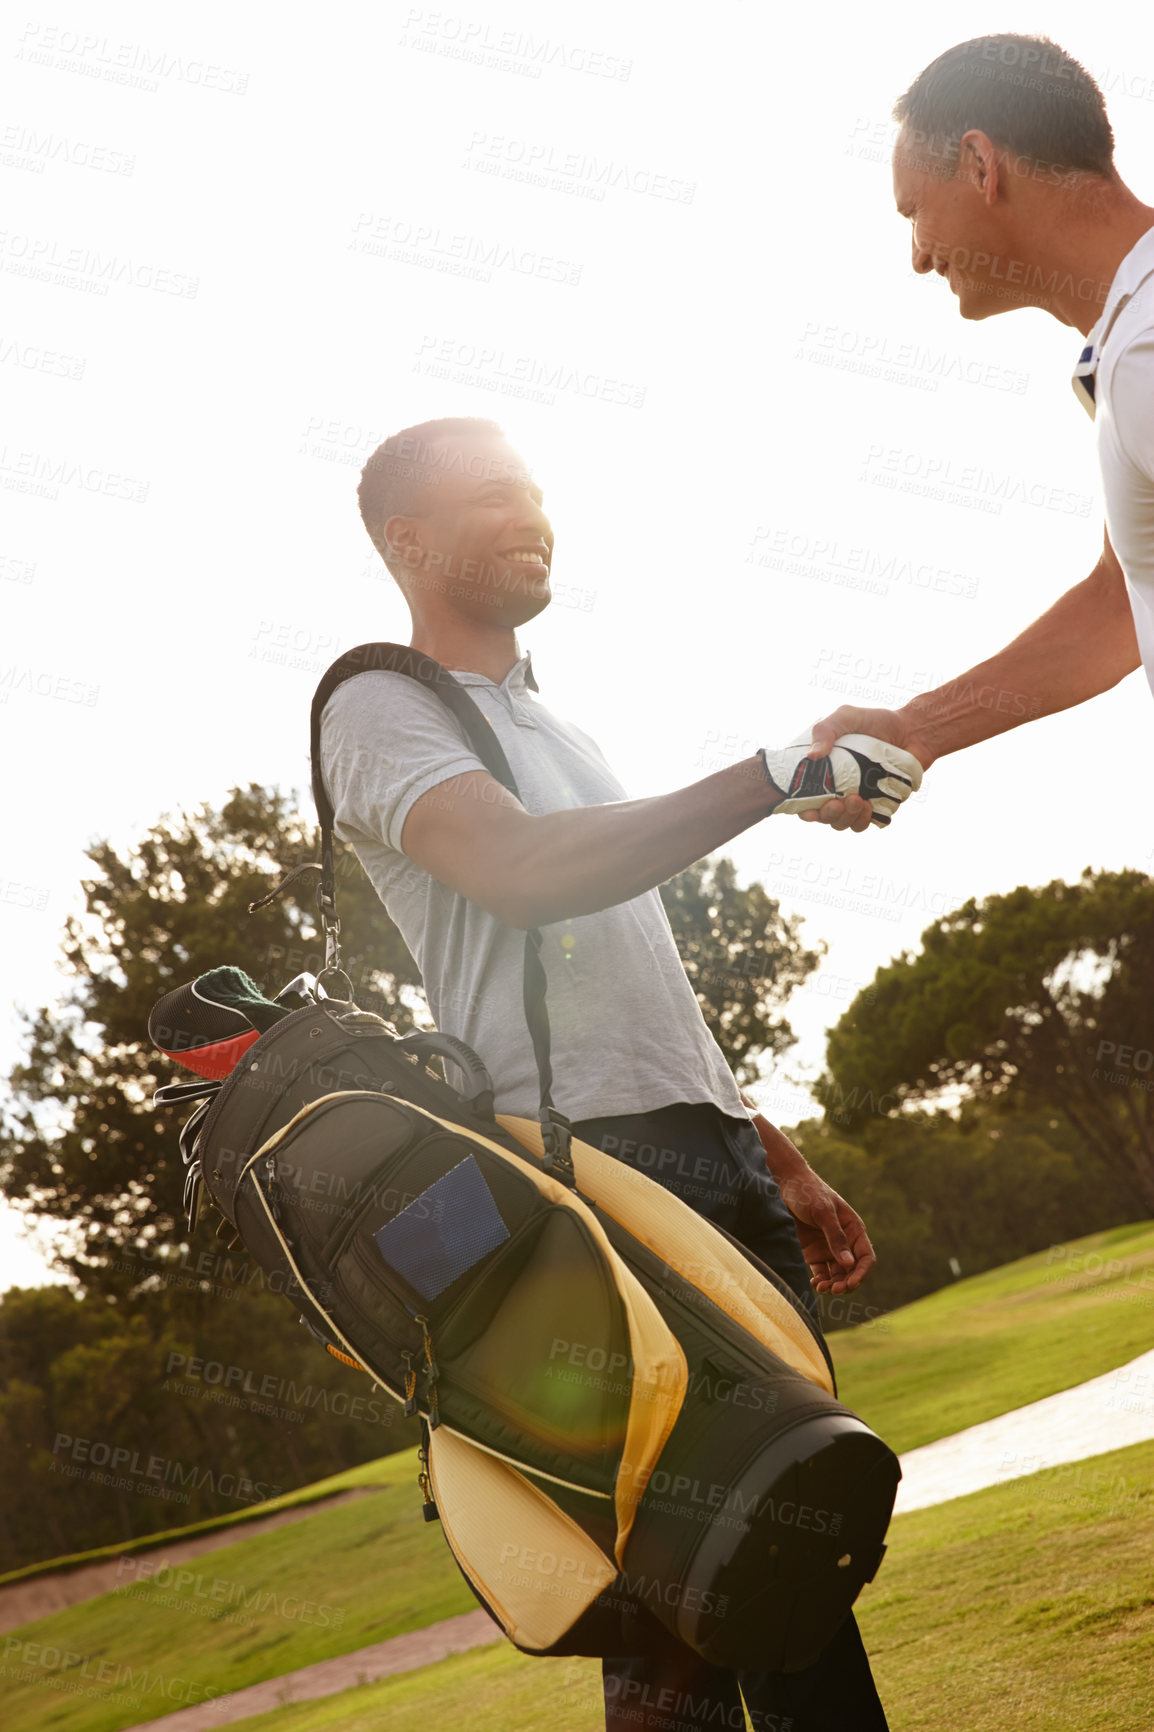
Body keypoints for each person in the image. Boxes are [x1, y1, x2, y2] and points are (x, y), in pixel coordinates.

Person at [319, 415, 917, 1730]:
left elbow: (638, 988)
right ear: (405, 543)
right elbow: (528, 877)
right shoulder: (375, 705)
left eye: (532, 491)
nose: (528, 515)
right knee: (681, 1597)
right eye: (489, 500)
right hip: (588, 1177)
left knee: (795, 1545)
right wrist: (771, 774)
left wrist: (776, 1152)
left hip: (703, 1158)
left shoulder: (559, 727)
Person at [801, 33, 1152, 832]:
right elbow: (1121, 600)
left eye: (913, 211)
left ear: (980, 165)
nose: (919, 257)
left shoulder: (1146, 350)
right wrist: (919, 730)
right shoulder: (1129, 343)